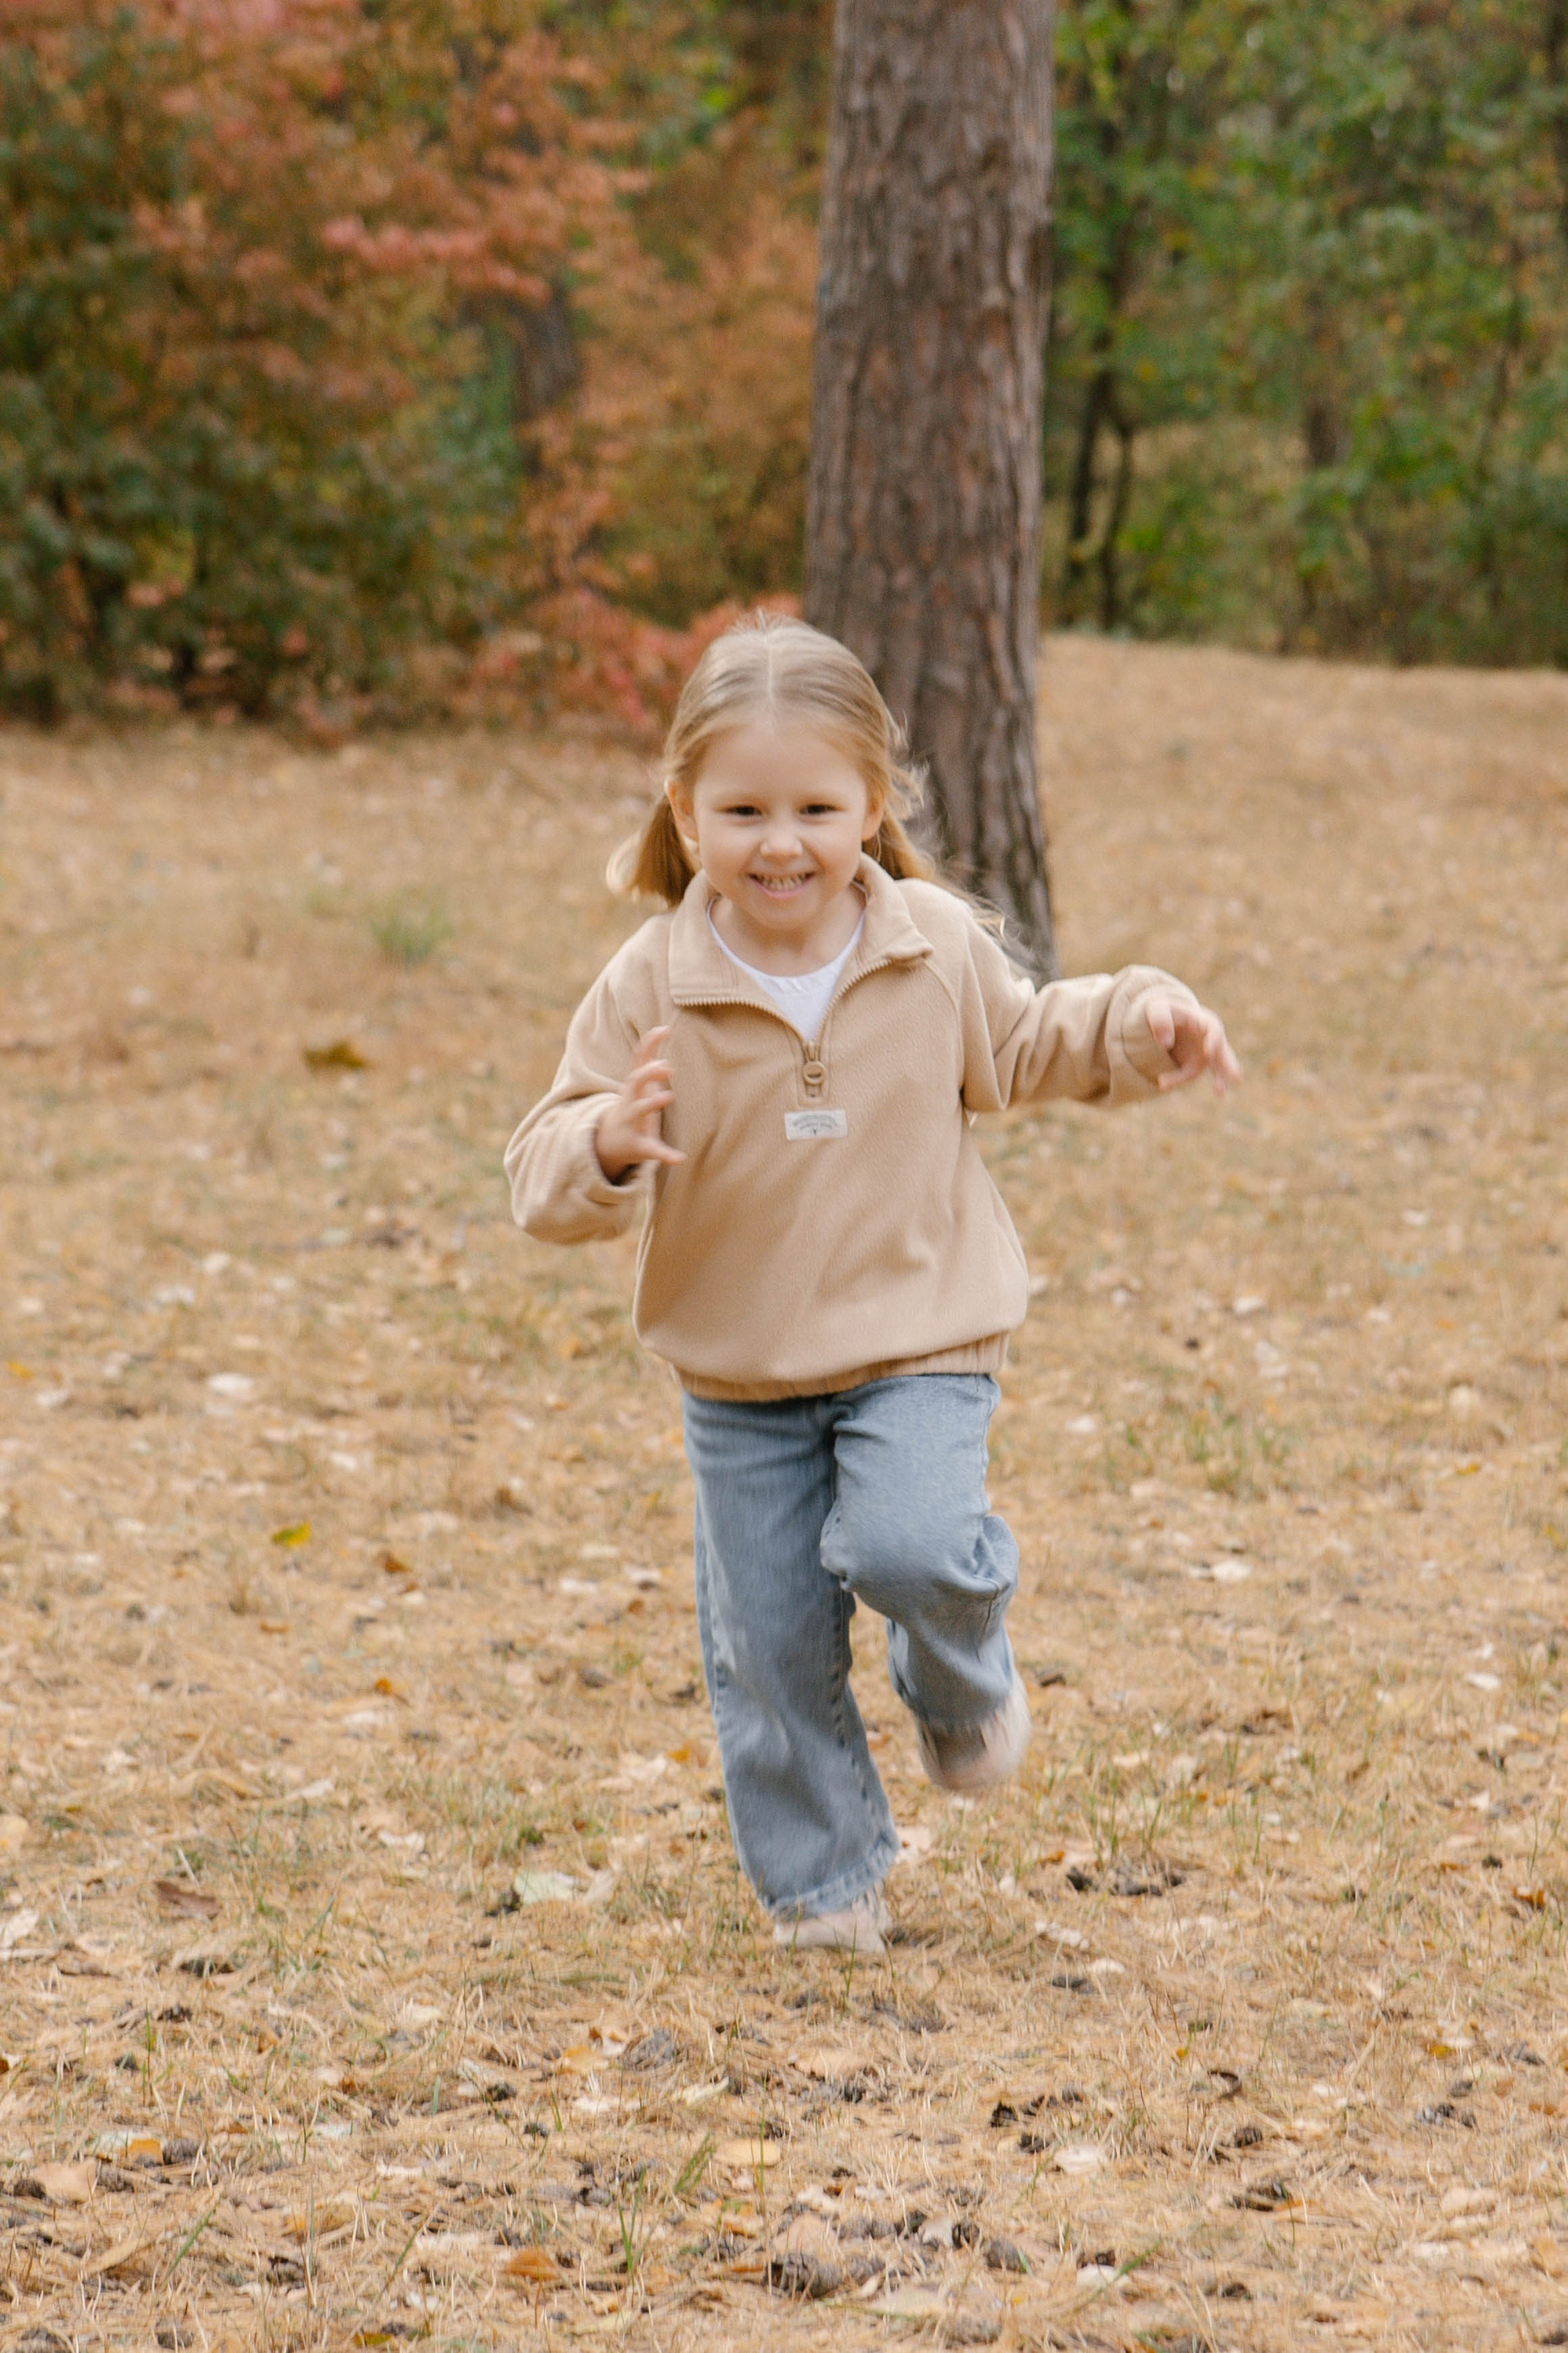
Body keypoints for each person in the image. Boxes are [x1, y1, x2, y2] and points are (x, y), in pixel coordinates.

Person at [506, 615, 1240, 1957]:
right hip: (739, 1374)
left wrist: (1138, 1016)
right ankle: (823, 1880)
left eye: (813, 808)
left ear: (870, 806)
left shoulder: (929, 945)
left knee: (910, 1544)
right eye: (740, 809)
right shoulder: (652, 983)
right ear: (684, 808)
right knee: (769, 1643)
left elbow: (1023, 1047)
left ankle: (959, 1686)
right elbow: (539, 1165)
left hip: (921, 1335)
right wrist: (603, 1142)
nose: (778, 842)